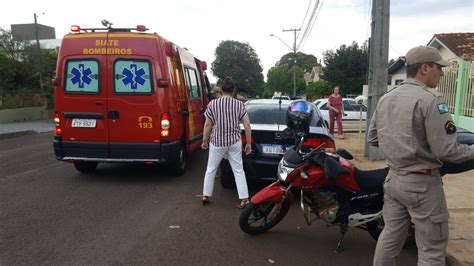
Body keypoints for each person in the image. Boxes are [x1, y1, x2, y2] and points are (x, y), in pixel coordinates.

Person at [368, 46, 474, 266]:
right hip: (422, 184)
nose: (442, 74)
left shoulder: (386, 98)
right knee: (432, 250)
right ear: (425, 68)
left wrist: (399, 146)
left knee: (390, 237)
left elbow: (373, 138)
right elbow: (448, 152)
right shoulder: (431, 100)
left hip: (394, 179)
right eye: (439, 68)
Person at [201, 77, 252, 208]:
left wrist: (204, 140)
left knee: (211, 168)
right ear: (234, 90)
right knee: (238, 170)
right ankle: (244, 199)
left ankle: (206, 195)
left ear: (222, 89)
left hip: (217, 142)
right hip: (234, 141)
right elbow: (247, 125)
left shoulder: (213, 104)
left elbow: (208, 125)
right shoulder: (239, 105)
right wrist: (248, 144)